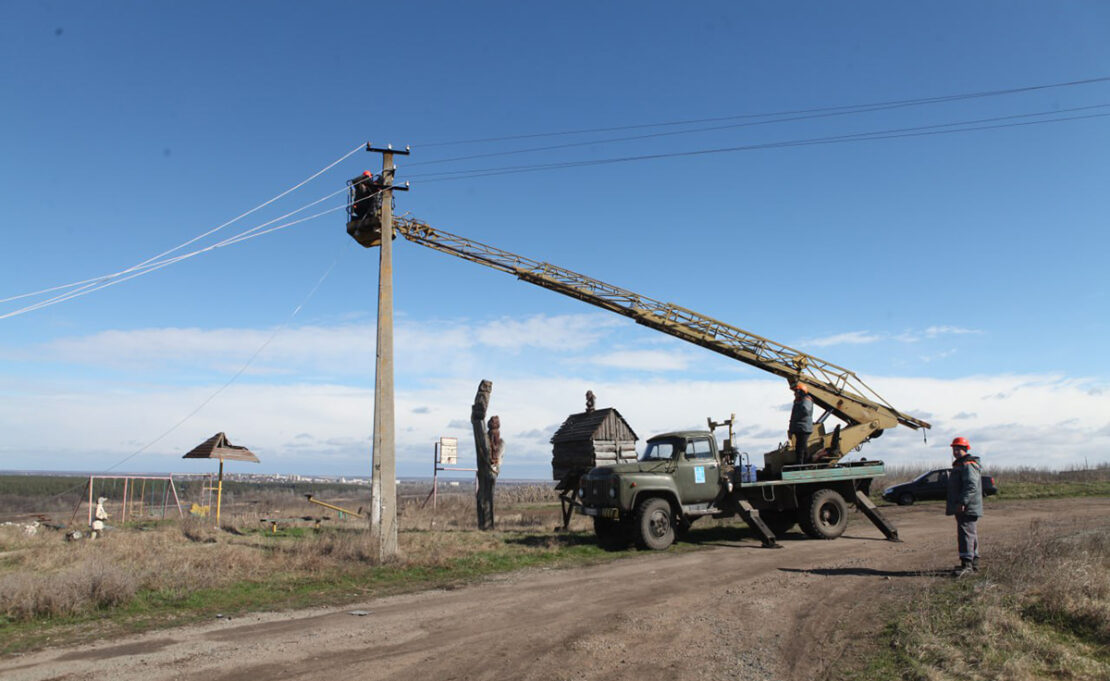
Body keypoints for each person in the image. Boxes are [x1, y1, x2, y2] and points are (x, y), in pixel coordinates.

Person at [945, 436, 983, 576]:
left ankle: (967, 565)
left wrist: (962, 502)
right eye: (954, 449)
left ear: (965, 449)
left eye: (958, 449)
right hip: (965, 505)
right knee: (969, 533)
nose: (955, 451)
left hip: (967, 506)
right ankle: (972, 563)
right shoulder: (961, 464)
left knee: (966, 534)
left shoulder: (968, 464)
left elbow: (971, 486)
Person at [788, 383, 814, 464]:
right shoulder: (798, 401)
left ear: (801, 392)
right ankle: (805, 463)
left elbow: (806, 410)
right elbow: (793, 417)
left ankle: (801, 465)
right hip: (799, 428)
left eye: (796, 391)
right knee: (802, 447)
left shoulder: (806, 400)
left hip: (803, 428)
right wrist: (791, 429)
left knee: (800, 448)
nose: (794, 393)